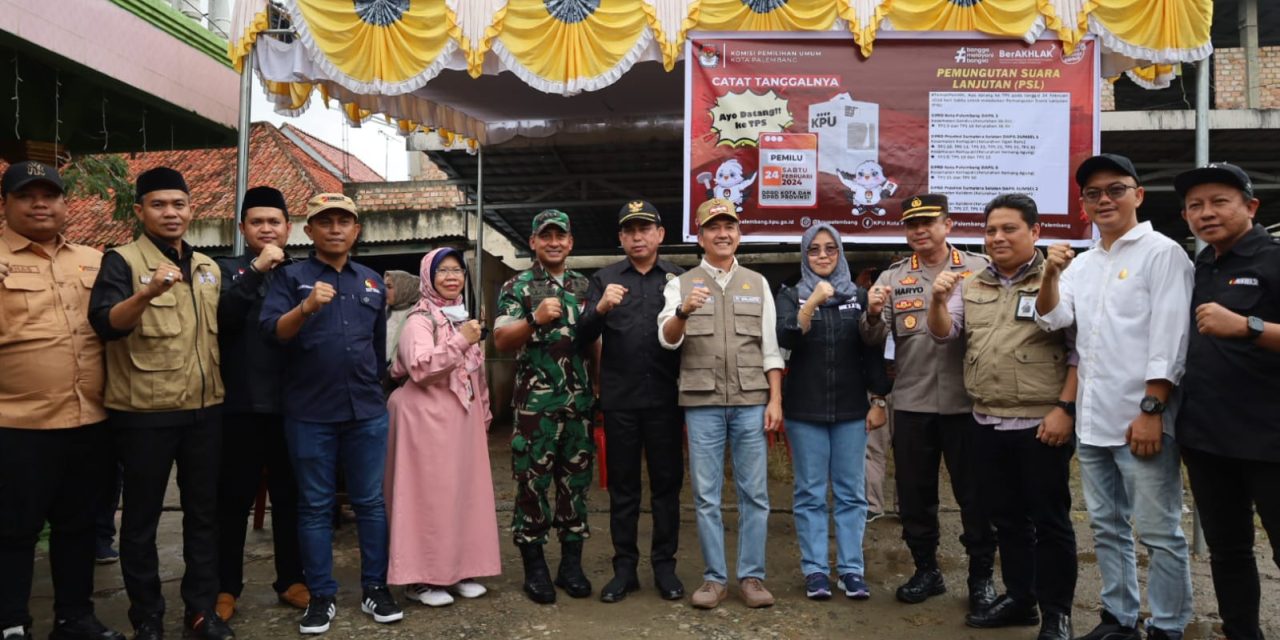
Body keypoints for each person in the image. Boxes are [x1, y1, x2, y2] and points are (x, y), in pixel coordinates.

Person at [1035, 154, 1194, 640]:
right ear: (1083, 205)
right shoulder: (1084, 263)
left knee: (1160, 532)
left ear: (1138, 195)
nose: (1104, 200)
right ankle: (1119, 618)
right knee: (1107, 527)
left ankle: (1167, 625)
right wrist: (1050, 273)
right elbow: (1053, 319)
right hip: (1093, 423)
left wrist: (1152, 410)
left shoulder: (1162, 253)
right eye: (1093, 194)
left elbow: (1171, 340)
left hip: (1141, 421)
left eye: (1115, 190)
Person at [87, 167, 232, 640]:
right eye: (159, 204)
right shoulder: (122, 261)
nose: (170, 213)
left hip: (205, 410)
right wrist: (147, 292)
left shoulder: (208, 266)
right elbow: (107, 324)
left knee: (204, 516)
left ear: (192, 210)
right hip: (144, 413)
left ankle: (200, 611)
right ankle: (146, 616)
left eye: (179, 204)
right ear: (140, 211)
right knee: (142, 521)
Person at [928, 194, 1079, 640]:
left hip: (1041, 424)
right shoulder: (971, 283)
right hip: (986, 421)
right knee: (1007, 520)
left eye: (1009, 228)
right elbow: (944, 335)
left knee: (1050, 522)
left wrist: (1064, 409)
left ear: (1034, 232)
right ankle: (1020, 598)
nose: (997, 237)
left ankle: (1057, 612)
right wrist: (938, 300)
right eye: (991, 230)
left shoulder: (1062, 277)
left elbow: (1079, 353)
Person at [260, 193, 402, 635]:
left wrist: (373, 390)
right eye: (326, 222)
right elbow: (273, 333)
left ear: (356, 230)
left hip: (365, 410)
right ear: (310, 230)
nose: (336, 229)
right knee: (316, 506)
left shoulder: (372, 282)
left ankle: (375, 588)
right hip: (309, 412)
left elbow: (376, 347)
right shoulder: (292, 278)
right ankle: (320, 595)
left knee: (371, 504)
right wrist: (306, 307)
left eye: (345, 221)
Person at [0, 162, 124, 640]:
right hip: (18, 423)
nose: (39, 204)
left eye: (49, 195)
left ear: (64, 204)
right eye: (26, 195)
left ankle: (75, 618)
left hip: (90, 418)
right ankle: (12, 622)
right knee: (14, 530)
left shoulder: (94, 260)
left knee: (77, 528)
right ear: (7, 204)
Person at [858, 194, 997, 613]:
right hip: (913, 403)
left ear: (948, 224)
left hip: (966, 402)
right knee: (915, 495)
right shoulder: (894, 276)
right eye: (911, 225)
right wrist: (871, 314)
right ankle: (926, 570)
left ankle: (981, 578)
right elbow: (872, 341)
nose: (919, 231)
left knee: (975, 496)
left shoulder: (978, 270)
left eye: (928, 222)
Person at [658, 198, 785, 610]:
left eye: (729, 226)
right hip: (702, 402)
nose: (723, 233)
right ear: (700, 236)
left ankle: (752, 576)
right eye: (713, 227)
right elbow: (667, 338)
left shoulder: (757, 282)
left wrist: (775, 400)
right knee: (707, 495)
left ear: (739, 233)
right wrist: (683, 311)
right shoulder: (681, 283)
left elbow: (771, 348)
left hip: (751, 400)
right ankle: (714, 579)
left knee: (756, 494)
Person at [1174, 163, 1280, 640]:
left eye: (1219, 201)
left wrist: (1248, 327)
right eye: (1195, 206)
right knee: (1228, 550)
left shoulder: (1274, 260)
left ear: (1250, 206)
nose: (1206, 213)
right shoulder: (1201, 265)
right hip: (1208, 440)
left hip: (1271, 440)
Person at [576, 200, 686, 603]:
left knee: (666, 488)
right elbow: (580, 337)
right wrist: (601, 309)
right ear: (621, 238)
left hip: (666, 400)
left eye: (645, 229)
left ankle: (664, 567)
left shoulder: (678, 278)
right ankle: (625, 569)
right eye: (630, 230)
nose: (638, 237)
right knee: (623, 489)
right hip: (620, 401)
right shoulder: (604, 279)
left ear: (660, 234)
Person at [775, 223, 890, 601]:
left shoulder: (859, 295)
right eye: (814, 250)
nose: (822, 256)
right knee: (809, 493)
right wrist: (812, 303)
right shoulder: (791, 295)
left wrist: (878, 400)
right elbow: (787, 338)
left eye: (830, 249)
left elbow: (872, 350)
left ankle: (852, 570)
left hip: (851, 410)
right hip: (804, 409)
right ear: (804, 256)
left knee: (851, 493)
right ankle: (815, 571)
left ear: (840, 253)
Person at [212, 186, 308, 622]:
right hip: (241, 407)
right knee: (232, 502)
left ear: (289, 227)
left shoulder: (305, 274)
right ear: (242, 228)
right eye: (257, 222)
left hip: (294, 407)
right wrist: (255, 270)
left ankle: (291, 579)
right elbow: (222, 319)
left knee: (293, 499)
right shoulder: (224, 270)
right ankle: (225, 587)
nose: (267, 229)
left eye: (274, 221)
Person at [385, 248, 499, 607]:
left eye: (457, 271)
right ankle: (420, 579)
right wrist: (463, 338)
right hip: (424, 420)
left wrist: (483, 412)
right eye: (443, 271)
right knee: (427, 499)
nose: (452, 277)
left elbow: (474, 372)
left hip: (460, 419)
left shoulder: (460, 316)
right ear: (427, 277)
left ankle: (459, 569)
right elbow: (420, 368)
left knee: (462, 495)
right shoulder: (419, 320)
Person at [493, 209, 595, 605]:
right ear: (533, 242)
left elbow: (593, 342)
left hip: (579, 406)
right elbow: (502, 340)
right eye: (545, 236)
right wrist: (534, 320)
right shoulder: (516, 286)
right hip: (536, 408)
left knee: (576, 485)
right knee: (532, 485)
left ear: (570, 242)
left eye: (561, 236)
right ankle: (534, 567)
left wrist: (599, 390)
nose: (554, 242)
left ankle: (571, 565)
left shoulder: (585, 285)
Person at [382, 269, 420, 369]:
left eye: (389, 287)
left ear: (404, 288)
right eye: (384, 286)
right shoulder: (382, 314)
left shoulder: (418, 315)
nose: (384, 290)